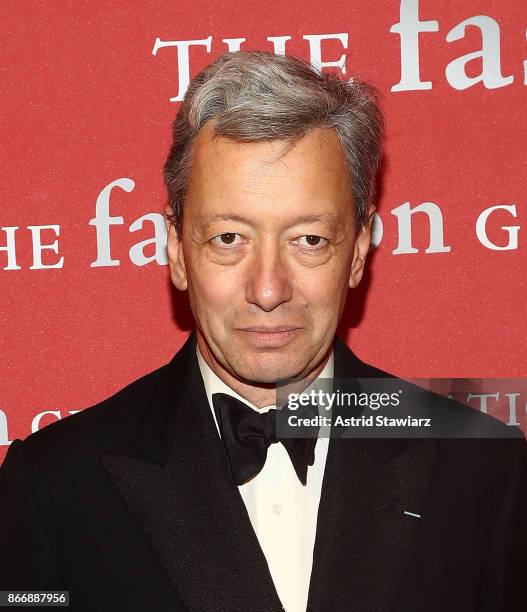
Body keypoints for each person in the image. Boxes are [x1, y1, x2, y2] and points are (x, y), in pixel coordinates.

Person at [1, 50, 526, 612]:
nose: (269, 289)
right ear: (177, 250)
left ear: (358, 251)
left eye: (309, 239)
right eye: (229, 238)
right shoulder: (54, 489)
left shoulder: (483, 471)